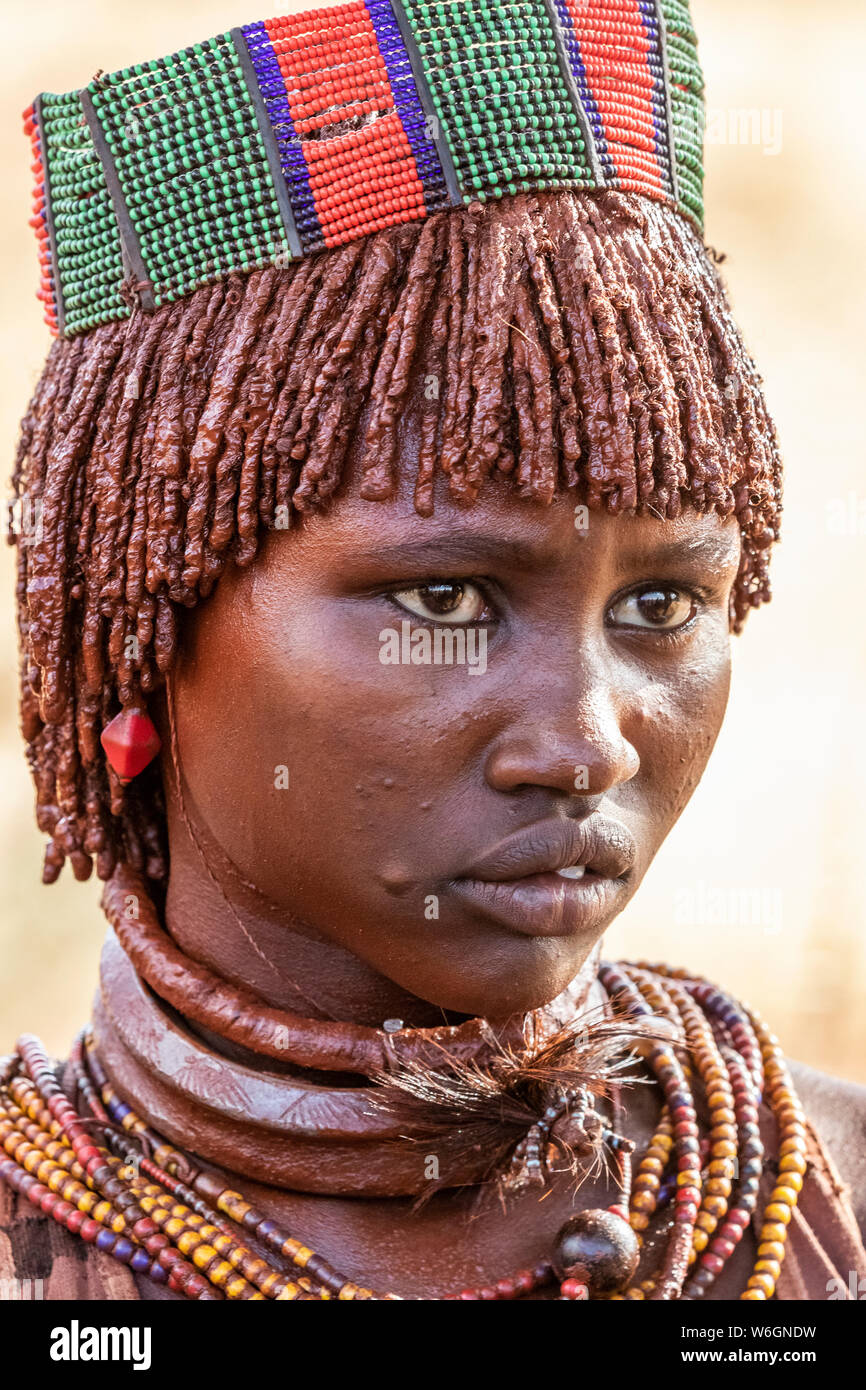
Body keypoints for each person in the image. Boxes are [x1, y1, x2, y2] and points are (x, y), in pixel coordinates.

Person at [2, 0, 864, 1302]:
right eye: (448, 599)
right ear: (140, 617)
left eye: (662, 605)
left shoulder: (821, 1200)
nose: (581, 740)